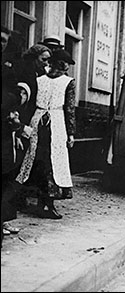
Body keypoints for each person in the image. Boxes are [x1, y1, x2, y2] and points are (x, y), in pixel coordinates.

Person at [15, 49, 77, 219]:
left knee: (45, 161)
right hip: (47, 124)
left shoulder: (46, 80)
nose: (65, 67)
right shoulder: (61, 81)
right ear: (59, 63)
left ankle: (44, 203)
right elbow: (70, 109)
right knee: (42, 162)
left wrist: (70, 132)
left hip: (48, 123)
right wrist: (71, 133)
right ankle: (44, 203)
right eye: (64, 63)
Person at [1, 25, 33, 245]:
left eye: (3, 40)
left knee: (6, 169)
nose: (0, 43)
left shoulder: (7, 68)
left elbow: (14, 95)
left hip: (3, 129)